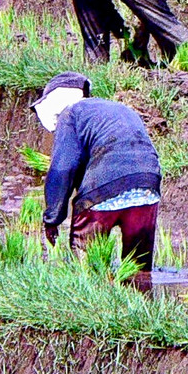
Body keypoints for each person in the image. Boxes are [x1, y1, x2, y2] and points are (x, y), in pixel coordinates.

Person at [35, 71, 161, 290]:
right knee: (138, 268)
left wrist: (52, 217)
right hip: (148, 185)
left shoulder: (71, 114)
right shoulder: (118, 109)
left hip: (104, 189)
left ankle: (91, 305)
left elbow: (63, 168)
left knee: (88, 263)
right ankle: (142, 312)